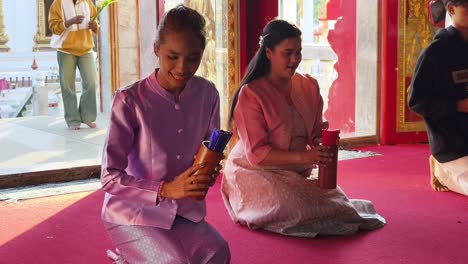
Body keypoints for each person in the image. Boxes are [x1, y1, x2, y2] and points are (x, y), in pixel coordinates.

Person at [221, 19, 386, 237]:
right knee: (292, 208)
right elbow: (258, 155)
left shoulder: (308, 85)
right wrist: (306, 157)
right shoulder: (251, 94)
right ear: (268, 53)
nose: (294, 60)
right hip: (254, 171)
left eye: (298, 52)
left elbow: (315, 132)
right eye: (287, 53)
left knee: (340, 207)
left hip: (295, 170)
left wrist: (324, 146)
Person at [100, 5, 230, 263]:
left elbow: (208, 153)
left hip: (184, 212)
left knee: (218, 253)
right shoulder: (130, 100)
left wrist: (208, 169)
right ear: (157, 49)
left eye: (193, 58)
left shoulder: (208, 94)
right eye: (172, 56)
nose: (182, 68)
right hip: (133, 213)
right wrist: (166, 189)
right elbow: (109, 178)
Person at [409, 0, 468, 196]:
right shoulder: (435, 52)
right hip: (454, 146)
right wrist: (457, 105)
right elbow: (417, 101)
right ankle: (442, 168)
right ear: (451, 9)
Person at [48, 0, 98, 130]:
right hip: (66, 50)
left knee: (92, 82)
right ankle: (72, 120)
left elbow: (96, 23)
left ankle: (87, 117)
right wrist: (70, 21)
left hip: (86, 49)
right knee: (68, 86)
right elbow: (53, 26)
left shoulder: (87, 2)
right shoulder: (58, 3)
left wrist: (95, 26)